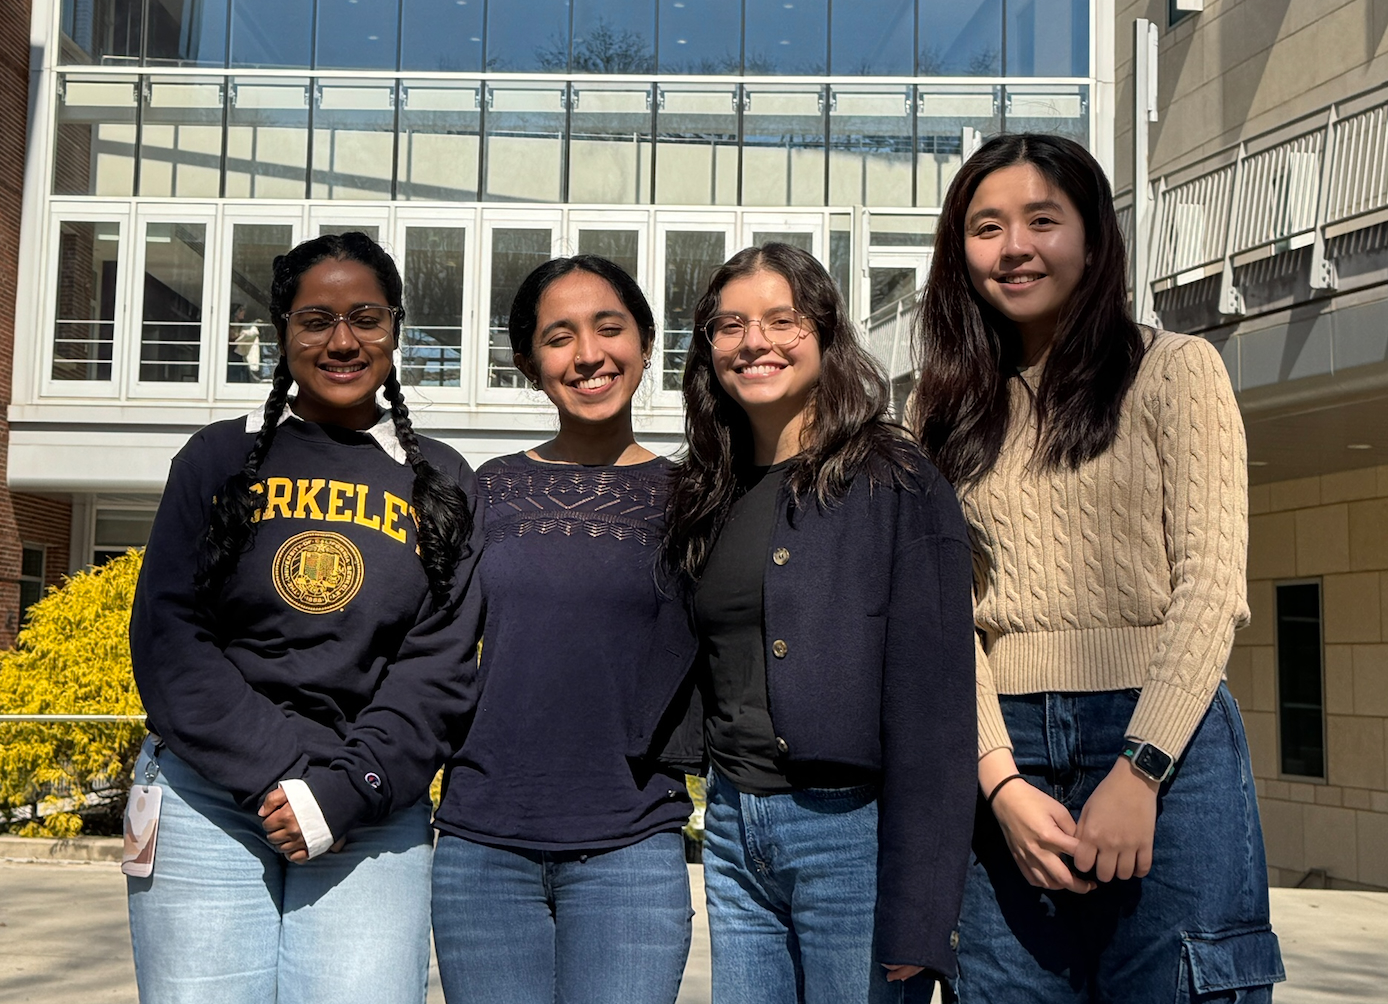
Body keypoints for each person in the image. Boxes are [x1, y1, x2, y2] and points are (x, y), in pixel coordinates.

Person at [910, 134, 1286, 1003]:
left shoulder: (1177, 371)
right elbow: (940, 617)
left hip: (1168, 744)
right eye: (987, 226)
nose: (1014, 248)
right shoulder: (939, 408)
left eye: (1043, 220)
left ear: (1092, 237)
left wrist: (1141, 768)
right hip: (1000, 755)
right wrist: (998, 780)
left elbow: (1210, 591)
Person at [126, 231, 484, 1004]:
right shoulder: (215, 461)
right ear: (282, 329)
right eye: (315, 319)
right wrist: (286, 777)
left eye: (366, 317)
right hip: (206, 797)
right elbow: (169, 637)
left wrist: (343, 788)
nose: (343, 340)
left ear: (396, 328)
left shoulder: (442, 481)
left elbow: (440, 662)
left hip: (368, 802)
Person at [663, 242, 977, 1004]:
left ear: (827, 335)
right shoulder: (708, 489)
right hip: (737, 829)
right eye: (729, 325)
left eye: (782, 319)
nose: (754, 342)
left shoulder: (895, 480)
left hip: (852, 834)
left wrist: (923, 912)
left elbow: (936, 706)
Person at [430, 255, 700, 1004]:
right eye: (559, 337)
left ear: (646, 343)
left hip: (632, 844)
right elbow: (431, 650)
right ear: (528, 362)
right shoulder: (484, 490)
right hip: (484, 845)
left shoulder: (695, 498)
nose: (588, 354)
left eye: (609, 328)